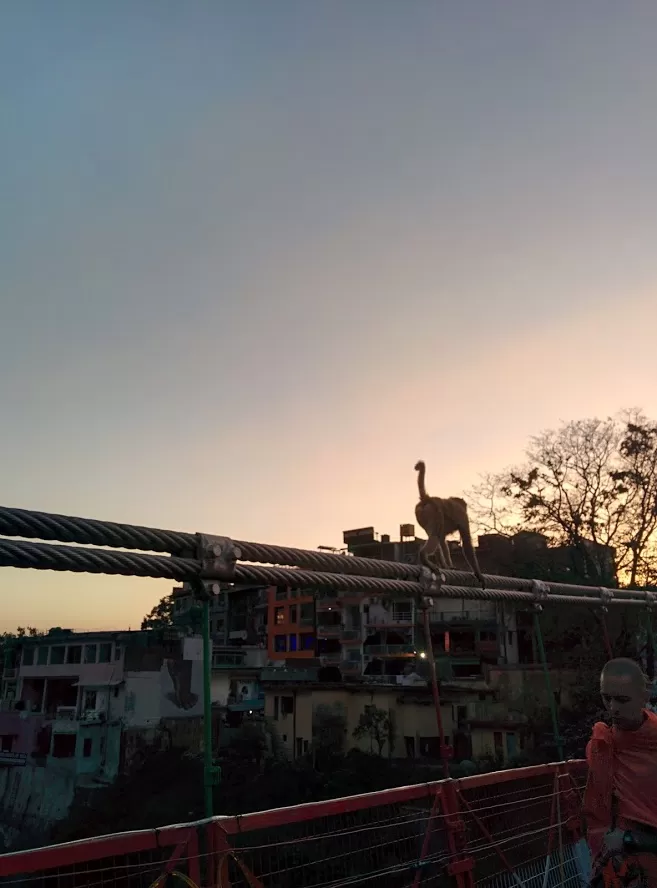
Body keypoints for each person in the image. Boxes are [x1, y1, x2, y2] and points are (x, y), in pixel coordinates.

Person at [583, 658, 657, 887]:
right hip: (615, 868)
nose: (613, 708)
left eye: (622, 700)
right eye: (607, 698)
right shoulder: (601, 745)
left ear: (644, 696)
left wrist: (628, 840)